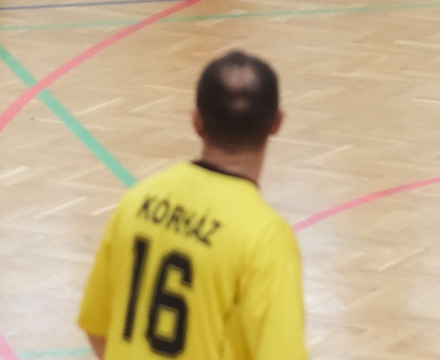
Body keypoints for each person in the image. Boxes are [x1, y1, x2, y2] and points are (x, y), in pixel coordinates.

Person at [78, 50, 307, 360]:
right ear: (277, 123)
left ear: (197, 121)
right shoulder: (265, 236)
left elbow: (97, 327)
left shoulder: (138, 200)